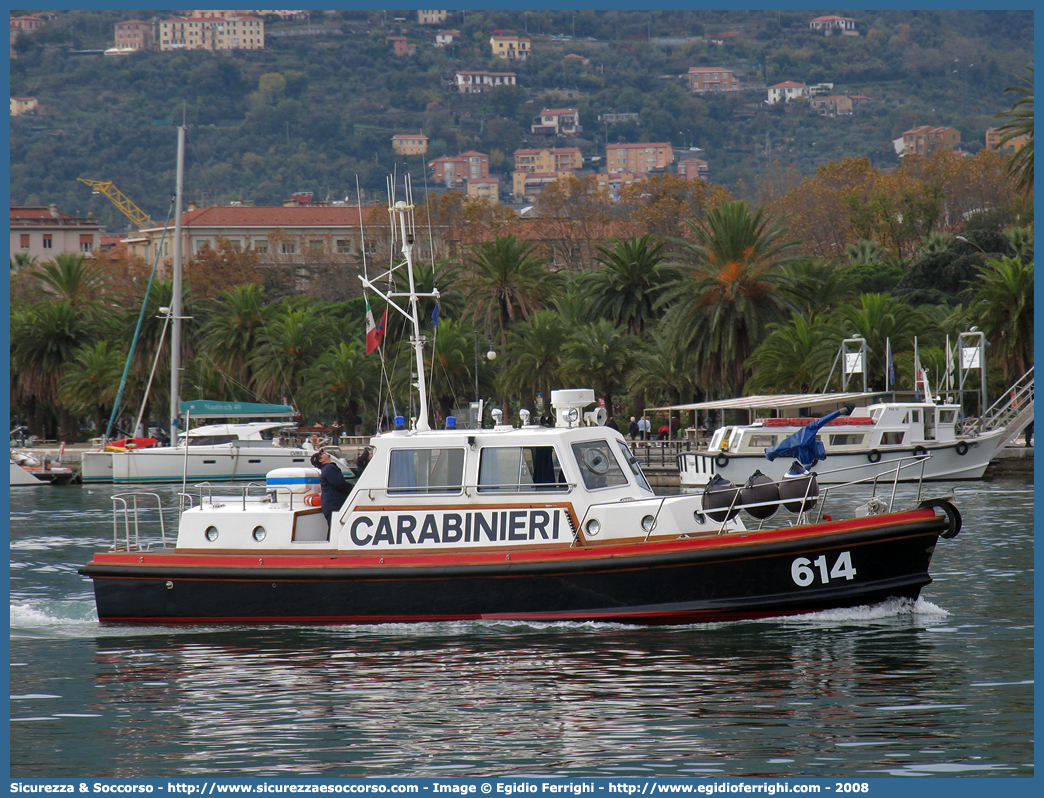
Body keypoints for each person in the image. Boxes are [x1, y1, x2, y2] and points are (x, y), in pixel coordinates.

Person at [311, 450, 351, 527]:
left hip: (330, 504)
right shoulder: (329, 468)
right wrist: (353, 489)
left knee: (333, 527)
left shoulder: (326, 469)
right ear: (321, 460)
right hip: (334, 504)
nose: (325, 453)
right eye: (322, 454)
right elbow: (339, 484)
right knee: (336, 527)